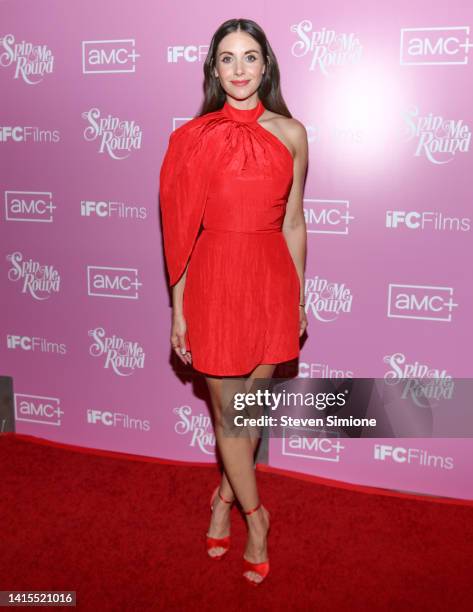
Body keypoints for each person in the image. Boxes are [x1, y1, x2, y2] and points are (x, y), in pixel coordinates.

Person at [159, 17, 308, 586]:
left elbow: (294, 221)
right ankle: (256, 516)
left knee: (248, 413)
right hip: (212, 282)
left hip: (270, 280)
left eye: (250, 57)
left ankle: (222, 497)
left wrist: (298, 296)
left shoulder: (291, 133)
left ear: (266, 66)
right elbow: (180, 231)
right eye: (228, 58)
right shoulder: (191, 139)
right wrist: (179, 306)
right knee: (229, 415)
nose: (240, 69)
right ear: (213, 69)